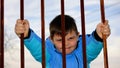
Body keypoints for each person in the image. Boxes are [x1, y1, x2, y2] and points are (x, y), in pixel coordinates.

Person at [15, 15, 111, 68]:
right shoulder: (49, 54)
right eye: (60, 40)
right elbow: (37, 47)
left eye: (70, 38)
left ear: (78, 36)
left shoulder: (82, 52)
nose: (66, 43)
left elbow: (92, 47)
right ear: (52, 40)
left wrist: (99, 36)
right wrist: (27, 35)